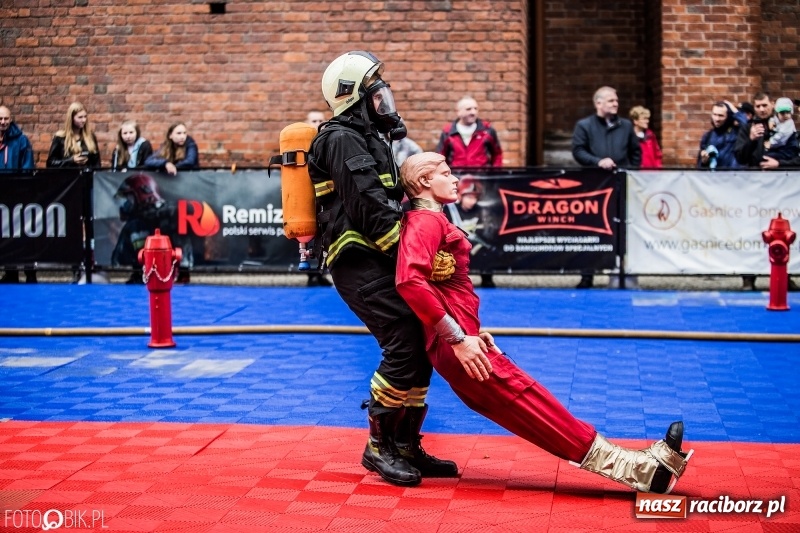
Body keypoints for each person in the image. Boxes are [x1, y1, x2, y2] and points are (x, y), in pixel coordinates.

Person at [396, 152, 692, 493]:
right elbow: (410, 281)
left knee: (532, 408)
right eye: (446, 173)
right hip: (458, 345)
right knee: (533, 406)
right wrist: (459, 338)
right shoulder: (426, 222)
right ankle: (639, 470)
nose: (455, 179)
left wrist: (469, 333)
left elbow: (436, 286)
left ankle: (639, 469)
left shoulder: (431, 220)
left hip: (462, 340)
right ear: (424, 181)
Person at [307, 51, 457, 487]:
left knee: (421, 339)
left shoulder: (368, 137)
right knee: (404, 341)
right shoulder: (341, 138)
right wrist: (413, 259)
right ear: (354, 99)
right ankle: (379, 446)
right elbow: (369, 207)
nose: (384, 102)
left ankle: (405, 443)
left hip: (377, 255)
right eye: (376, 95)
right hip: (357, 259)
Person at [572, 86, 641, 289]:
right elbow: (578, 151)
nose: (615, 104)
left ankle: (620, 273)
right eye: (611, 100)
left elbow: (636, 153)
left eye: (616, 100)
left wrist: (628, 171)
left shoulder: (626, 126)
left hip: (620, 186)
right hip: (595, 187)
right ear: (598, 103)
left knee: (622, 229)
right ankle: (587, 275)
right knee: (590, 230)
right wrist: (597, 162)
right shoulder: (584, 126)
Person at [734, 92, 800, 291]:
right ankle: (748, 278)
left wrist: (779, 164)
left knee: (782, 232)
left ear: (772, 105)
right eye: (758, 106)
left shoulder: (786, 126)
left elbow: (796, 158)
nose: (762, 109)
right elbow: (740, 156)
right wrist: (751, 139)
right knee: (751, 232)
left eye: (765, 105)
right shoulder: (748, 128)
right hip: (754, 188)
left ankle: (784, 276)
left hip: (781, 188)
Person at [437, 96, 502, 287]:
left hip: (483, 186)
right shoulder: (448, 132)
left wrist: (493, 175)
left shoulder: (488, 130)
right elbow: (440, 157)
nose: (473, 112)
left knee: (485, 227)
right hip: (456, 186)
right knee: (453, 227)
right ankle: (454, 271)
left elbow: (497, 154)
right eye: (468, 109)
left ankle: (487, 273)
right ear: (458, 112)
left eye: (475, 108)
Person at [0, 105, 37, 283]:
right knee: (5, 235)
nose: (3, 122)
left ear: (11, 119)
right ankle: (11, 272)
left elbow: (27, 166)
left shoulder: (21, 140)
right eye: (0, 119)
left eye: (6, 119)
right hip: (1, 197)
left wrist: (21, 187)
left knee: (24, 235)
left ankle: (30, 274)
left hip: (18, 196)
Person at [444, 176, 496, 288]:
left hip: (475, 247)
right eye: (469, 197)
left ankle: (487, 279)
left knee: (485, 252)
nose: (473, 201)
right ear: (459, 196)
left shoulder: (482, 211)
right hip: (455, 246)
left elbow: (488, 234)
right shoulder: (450, 209)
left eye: (475, 197)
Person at [302, 111, 332, 287]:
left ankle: (321, 271)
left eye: (321, 120)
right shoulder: (301, 144)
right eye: (314, 120)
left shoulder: (329, 142)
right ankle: (310, 273)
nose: (318, 123)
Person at [46, 102, 101, 169]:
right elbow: (50, 163)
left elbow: (97, 163)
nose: (84, 120)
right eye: (80, 117)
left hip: (86, 175)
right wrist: (71, 160)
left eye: (85, 116)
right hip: (68, 175)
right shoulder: (60, 137)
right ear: (71, 118)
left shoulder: (90, 137)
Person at [697, 101, 745, 170]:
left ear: (728, 116)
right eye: (714, 114)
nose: (717, 119)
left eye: (721, 115)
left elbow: (746, 126)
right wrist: (704, 161)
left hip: (733, 174)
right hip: (715, 175)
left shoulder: (735, 132)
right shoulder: (708, 136)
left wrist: (734, 110)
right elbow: (700, 167)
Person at [762, 97, 798, 161]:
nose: (785, 115)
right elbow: (774, 119)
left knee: (768, 156)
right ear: (777, 113)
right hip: (780, 146)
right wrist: (771, 121)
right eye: (782, 113)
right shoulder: (777, 119)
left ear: (791, 112)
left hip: (788, 149)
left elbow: (780, 136)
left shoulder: (788, 123)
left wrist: (770, 143)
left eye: (788, 112)